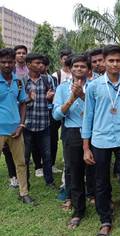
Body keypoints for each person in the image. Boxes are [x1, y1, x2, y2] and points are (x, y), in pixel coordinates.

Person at [82, 45, 120, 236]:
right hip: (100, 140)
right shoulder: (94, 86)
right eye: (111, 61)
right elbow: (88, 117)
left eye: (118, 60)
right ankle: (105, 220)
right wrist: (86, 147)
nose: (115, 64)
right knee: (101, 182)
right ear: (104, 62)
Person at [53, 54, 92, 229]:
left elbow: (99, 110)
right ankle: (78, 210)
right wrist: (72, 98)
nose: (78, 69)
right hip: (72, 131)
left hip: (94, 131)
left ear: (88, 70)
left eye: (82, 66)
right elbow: (56, 115)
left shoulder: (95, 87)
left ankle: (99, 204)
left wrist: (83, 95)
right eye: (75, 66)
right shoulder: (62, 88)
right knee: (74, 172)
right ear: (71, 68)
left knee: (96, 171)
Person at [0, 48, 33, 204]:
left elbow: (23, 103)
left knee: (21, 163)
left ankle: (24, 193)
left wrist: (21, 124)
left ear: (14, 63)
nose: (7, 64)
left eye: (9, 62)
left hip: (16, 130)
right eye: (3, 62)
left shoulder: (18, 82)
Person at [23, 53, 55, 188]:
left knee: (47, 156)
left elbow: (54, 101)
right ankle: (25, 183)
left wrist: (51, 98)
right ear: (28, 64)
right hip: (27, 126)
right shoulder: (22, 82)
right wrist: (29, 99)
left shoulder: (47, 80)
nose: (40, 65)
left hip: (44, 125)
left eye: (41, 63)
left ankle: (49, 181)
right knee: (25, 158)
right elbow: (19, 103)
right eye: (37, 63)